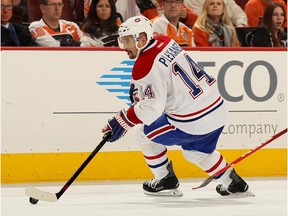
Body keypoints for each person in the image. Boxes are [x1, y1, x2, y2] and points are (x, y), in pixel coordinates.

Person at [102, 15, 252, 197]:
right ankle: (232, 182)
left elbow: (152, 108)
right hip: (217, 109)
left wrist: (123, 120)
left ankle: (165, 180)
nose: (123, 46)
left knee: (142, 132)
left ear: (142, 39)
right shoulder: (165, 41)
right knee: (195, 152)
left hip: (193, 121)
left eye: (126, 41)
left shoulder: (144, 65)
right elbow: (166, 81)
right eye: (121, 41)